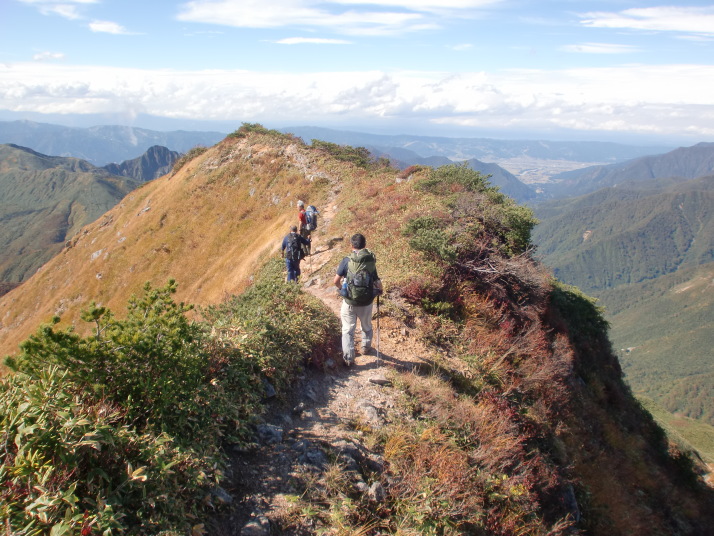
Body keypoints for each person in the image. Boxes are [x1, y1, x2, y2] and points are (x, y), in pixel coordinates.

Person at [333, 233, 383, 366]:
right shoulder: (370, 260)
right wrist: (380, 291)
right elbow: (376, 280)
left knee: (348, 329)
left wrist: (341, 290)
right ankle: (366, 348)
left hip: (349, 301)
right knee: (366, 326)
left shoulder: (346, 260)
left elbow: (336, 281)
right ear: (365, 245)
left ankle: (349, 358)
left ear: (351, 245)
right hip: (366, 302)